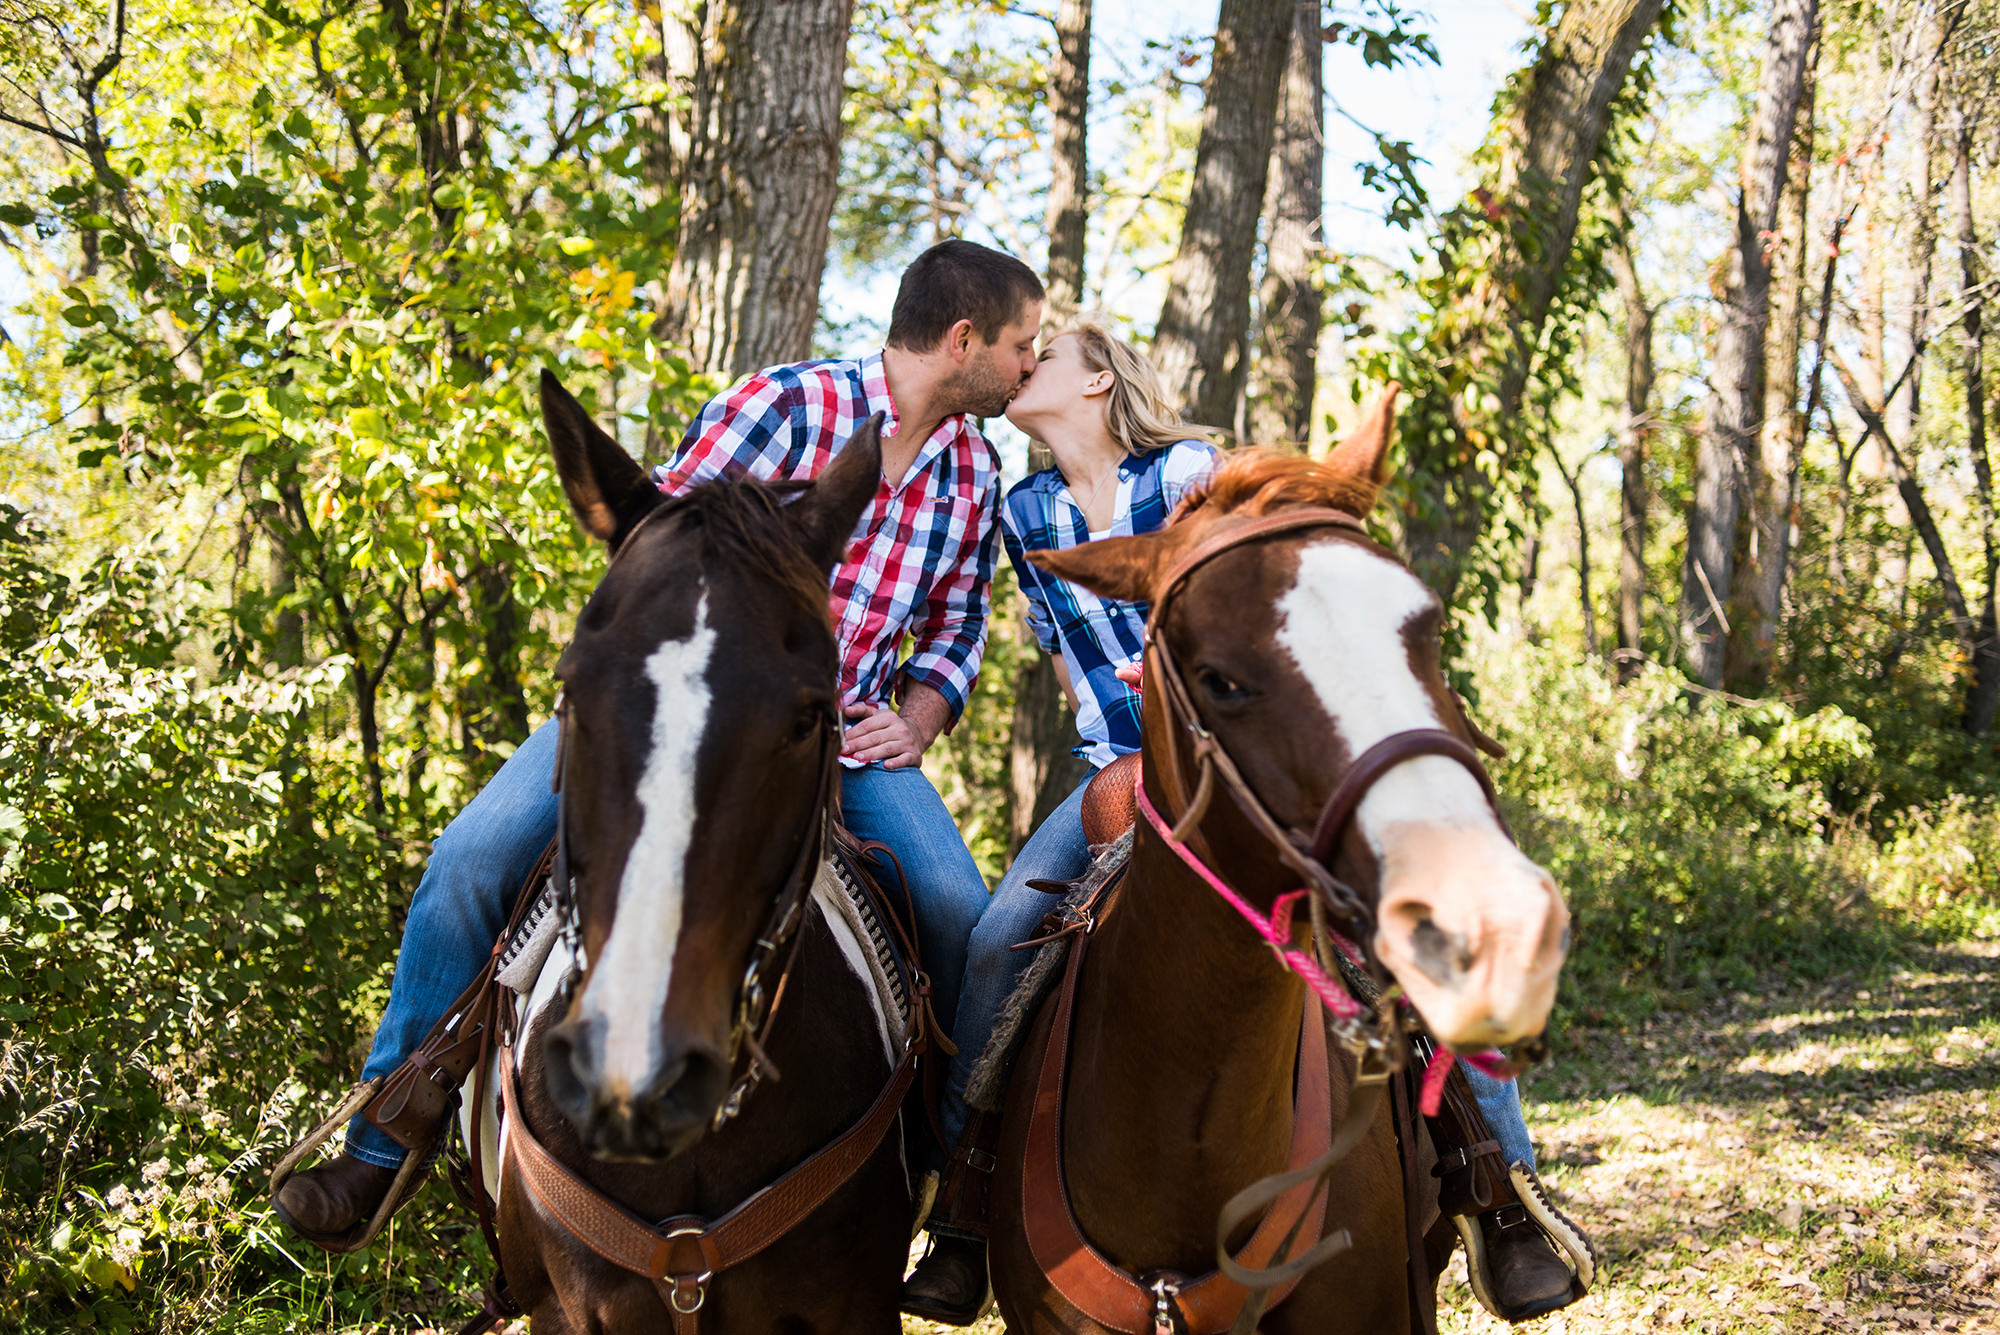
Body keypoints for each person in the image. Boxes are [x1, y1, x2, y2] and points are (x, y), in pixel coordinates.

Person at [272, 238, 1044, 1248]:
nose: (1032, 364)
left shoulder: (974, 473)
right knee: (469, 860)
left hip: (838, 744)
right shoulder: (783, 406)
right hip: (676, 728)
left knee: (960, 916)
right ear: (962, 339)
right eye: (1024, 344)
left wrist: (918, 716)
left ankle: (958, 1209)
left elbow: (952, 630)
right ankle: (382, 1149)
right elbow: (650, 550)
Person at [901, 321, 1590, 1326]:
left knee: (1384, 936)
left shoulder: (1185, 471)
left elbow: (1266, 591)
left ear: (1095, 379)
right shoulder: (1026, 509)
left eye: (1038, 354)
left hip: (1237, 743)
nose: (1017, 365)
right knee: (1000, 937)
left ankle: (1503, 1191)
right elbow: (1064, 659)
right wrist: (1130, 713)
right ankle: (964, 1203)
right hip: (1122, 764)